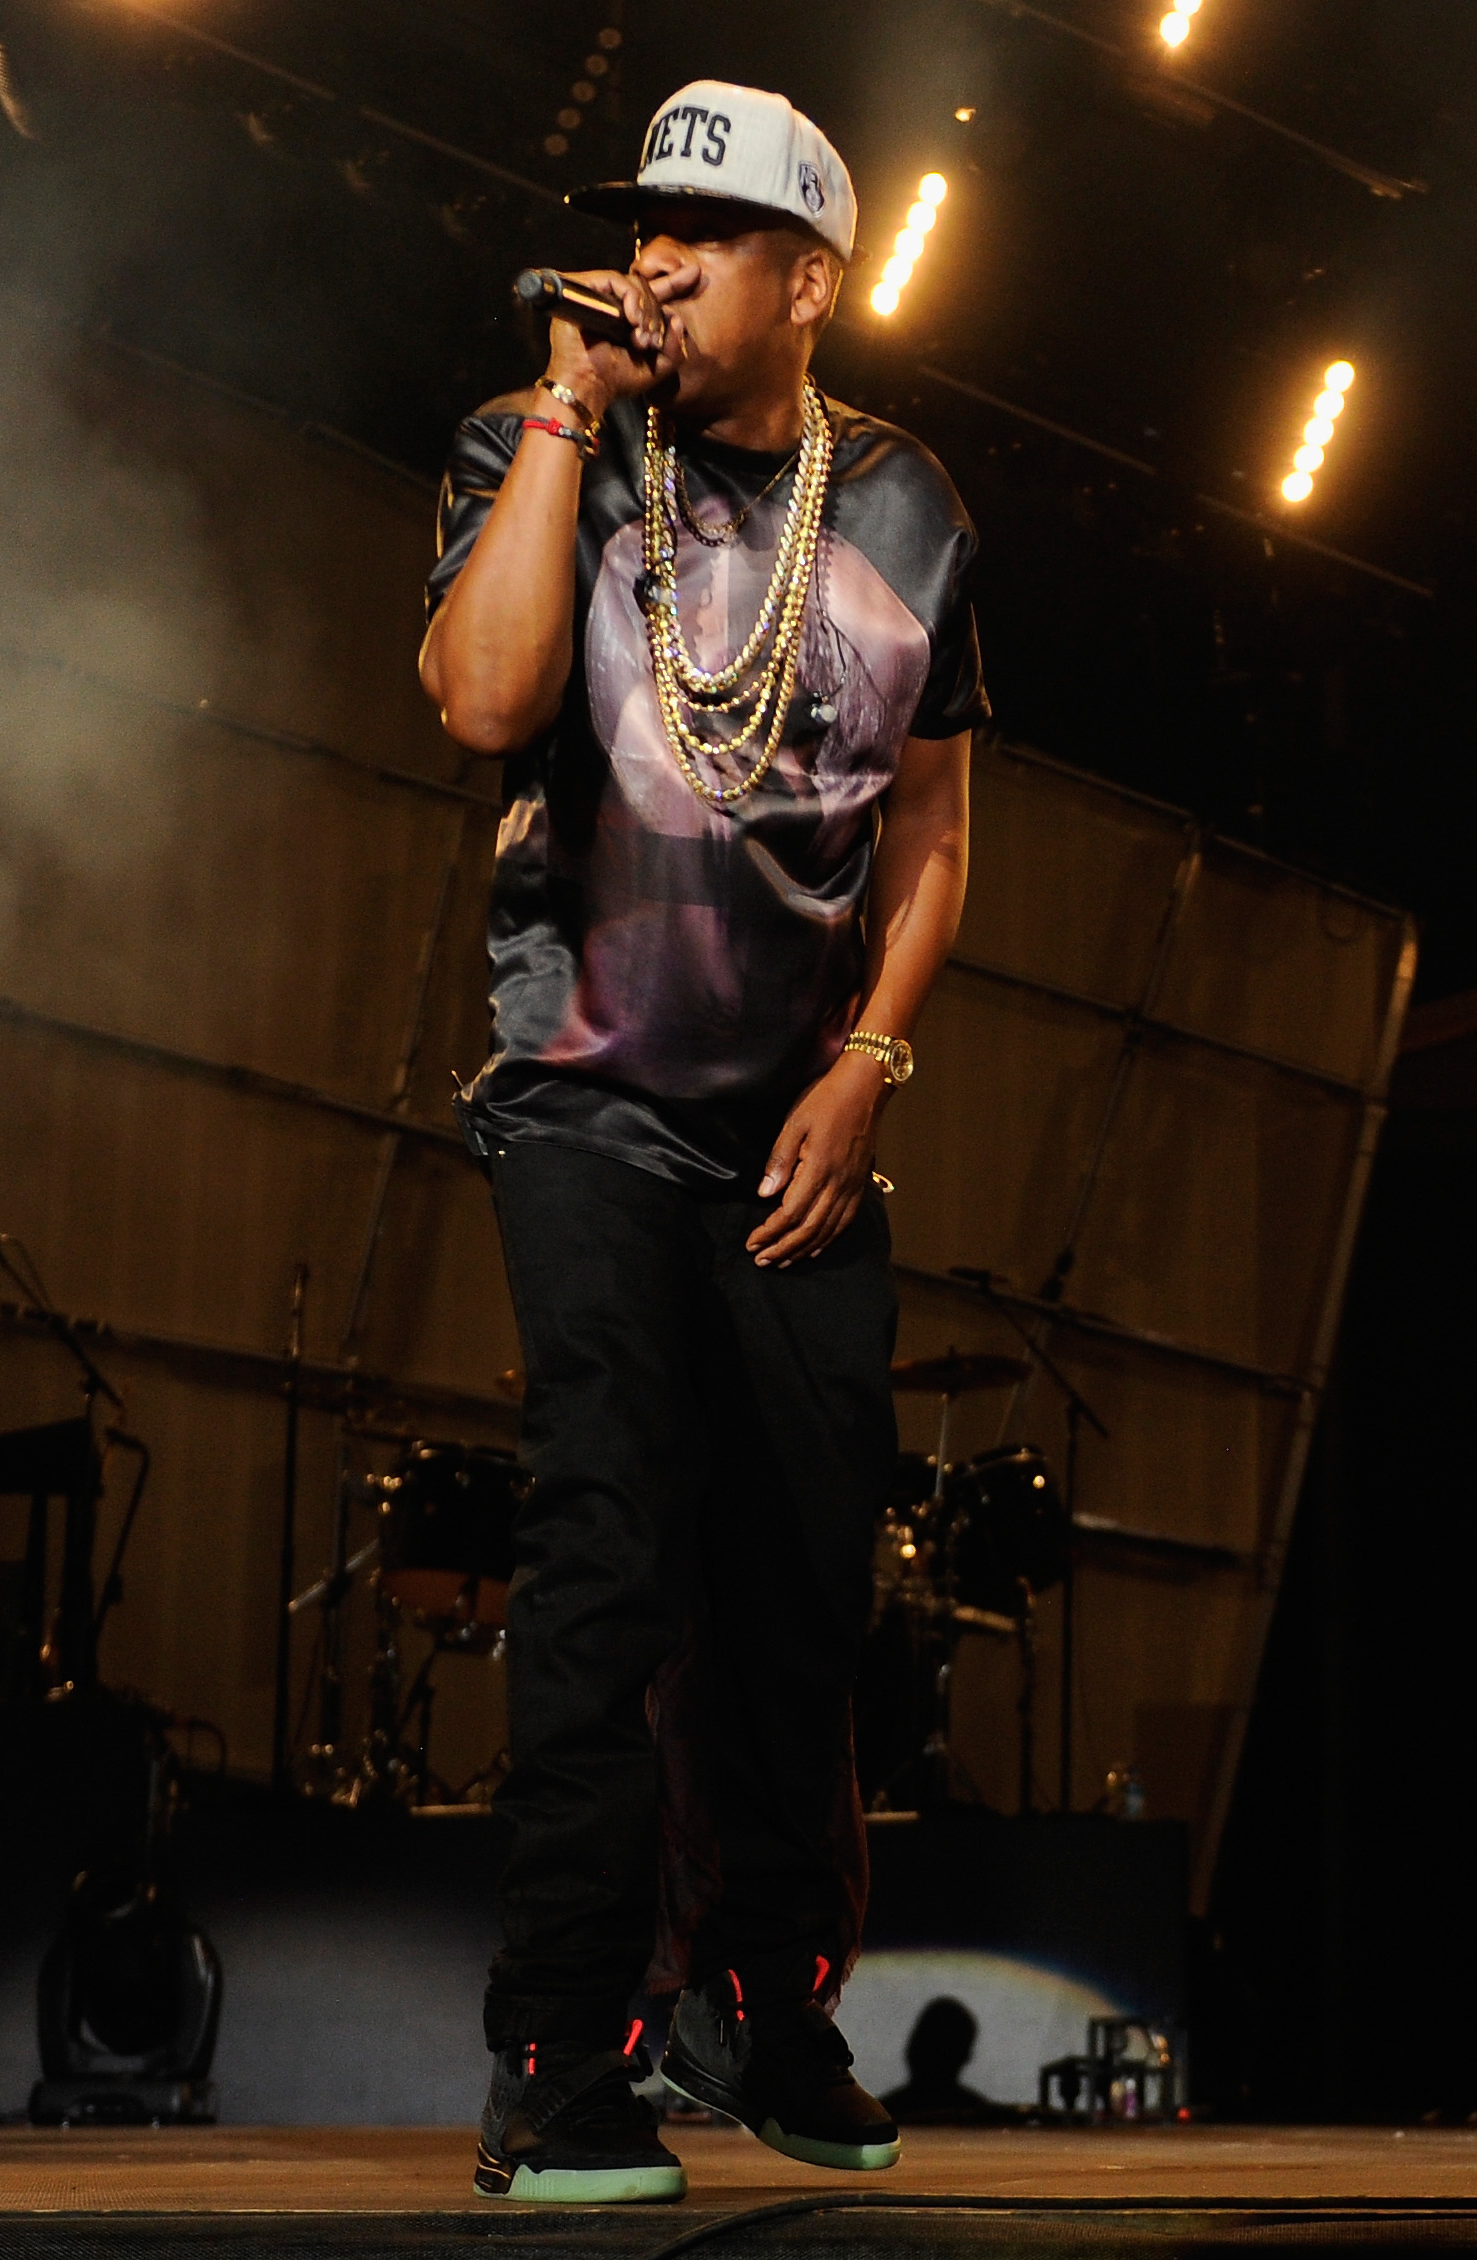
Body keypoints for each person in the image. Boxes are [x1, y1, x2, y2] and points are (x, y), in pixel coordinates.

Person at [419, 78, 985, 2206]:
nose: (649, 260)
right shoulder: (531, 434)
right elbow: (481, 703)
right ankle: (561, 2047)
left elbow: (933, 839)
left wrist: (878, 1063)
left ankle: (767, 2002)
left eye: (699, 232)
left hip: (801, 1134)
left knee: (797, 1599)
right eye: (633, 228)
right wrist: (565, 413)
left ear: (808, 278)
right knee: (606, 1558)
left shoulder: (915, 503)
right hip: (580, 1093)